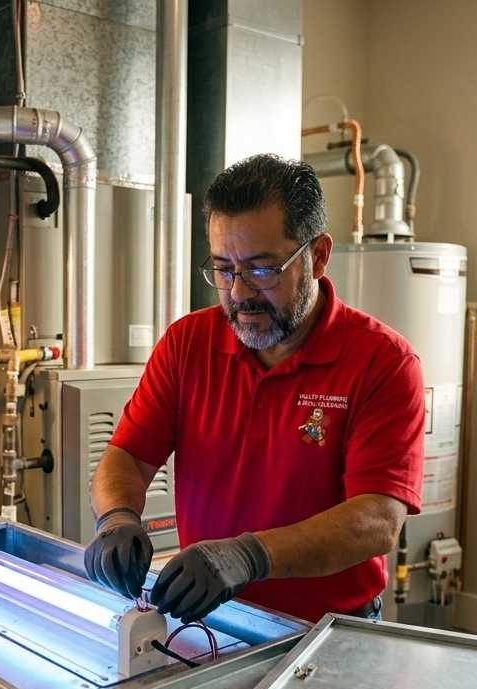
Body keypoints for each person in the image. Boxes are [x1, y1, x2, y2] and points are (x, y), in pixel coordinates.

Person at [84, 153, 426, 625]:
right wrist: (116, 517)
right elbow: (129, 455)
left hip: (330, 630)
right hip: (212, 620)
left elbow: (377, 521)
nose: (240, 293)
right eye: (224, 270)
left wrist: (250, 556)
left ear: (319, 256)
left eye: (262, 269)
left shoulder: (384, 363)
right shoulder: (187, 343)